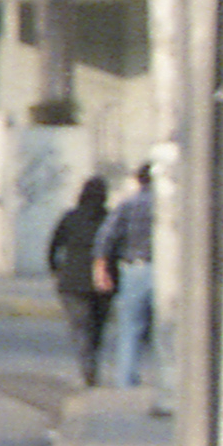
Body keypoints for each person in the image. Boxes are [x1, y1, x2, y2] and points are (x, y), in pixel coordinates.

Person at [96, 161, 159, 395]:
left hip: (135, 269)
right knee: (165, 328)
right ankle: (165, 380)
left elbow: (106, 237)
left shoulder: (128, 205)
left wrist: (101, 270)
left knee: (130, 327)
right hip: (165, 272)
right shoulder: (174, 205)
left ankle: (126, 381)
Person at [47, 173, 112, 384]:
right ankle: (92, 364)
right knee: (97, 328)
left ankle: (87, 368)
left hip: (72, 282)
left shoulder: (71, 217)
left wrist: (56, 271)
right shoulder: (108, 218)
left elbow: (54, 247)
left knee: (80, 327)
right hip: (102, 282)